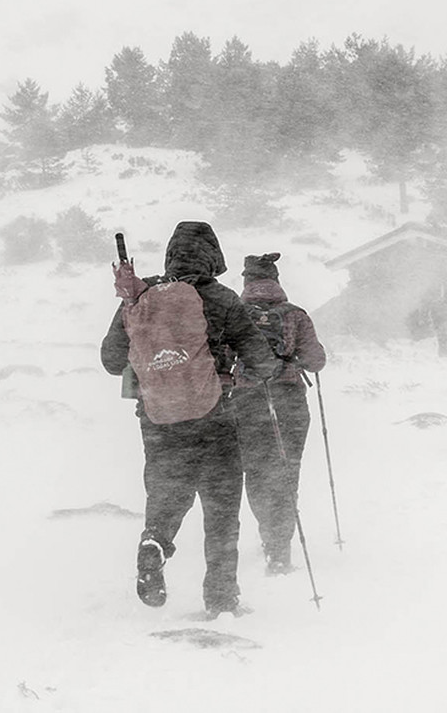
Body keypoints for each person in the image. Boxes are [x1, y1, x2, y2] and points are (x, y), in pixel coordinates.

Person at [100, 221, 278, 615]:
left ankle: (155, 542)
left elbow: (112, 361)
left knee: (166, 497)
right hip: (216, 419)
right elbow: (262, 362)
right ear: (213, 257)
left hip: (159, 421)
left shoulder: (141, 297)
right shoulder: (223, 300)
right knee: (221, 512)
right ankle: (221, 597)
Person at [230, 253, 327, 576]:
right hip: (289, 402)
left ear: (247, 282)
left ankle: (266, 533)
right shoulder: (295, 315)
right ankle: (280, 547)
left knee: (256, 473)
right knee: (287, 471)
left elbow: (222, 357)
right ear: (276, 281)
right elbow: (316, 361)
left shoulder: (234, 315)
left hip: (247, 401)